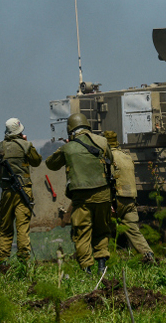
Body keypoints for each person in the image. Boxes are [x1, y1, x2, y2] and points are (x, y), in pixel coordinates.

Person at [45, 113, 114, 274]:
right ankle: (101, 265)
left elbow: (50, 164)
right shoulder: (102, 141)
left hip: (81, 197)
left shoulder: (68, 148)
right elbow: (110, 159)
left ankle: (86, 269)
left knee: (82, 232)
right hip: (103, 193)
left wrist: (67, 147)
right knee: (102, 229)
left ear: (71, 130)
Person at [0, 118, 42, 264]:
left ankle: (2, 262)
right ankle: (23, 263)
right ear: (19, 132)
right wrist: (25, 142)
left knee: (5, 229)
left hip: (6, 192)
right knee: (22, 228)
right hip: (23, 191)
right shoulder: (25, 146)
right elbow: (37, 161)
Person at [104, 131, 154, 262]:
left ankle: (101, 262)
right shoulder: (127, 157)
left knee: (103, 230)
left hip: (115, 200)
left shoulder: (107, 158)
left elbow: (107, 181)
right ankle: (148, 255)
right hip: (130, 200)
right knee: (134, 231)